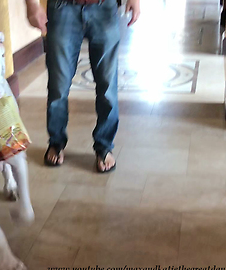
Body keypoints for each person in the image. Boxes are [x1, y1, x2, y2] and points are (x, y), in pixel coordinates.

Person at [24, 0, 140, 173]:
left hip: (105, 7)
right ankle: (56, 141)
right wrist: (32, 5)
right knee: (58, 85)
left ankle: (104, 146)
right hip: (62, 7)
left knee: (107, 86)